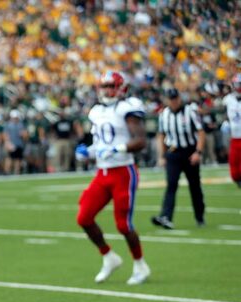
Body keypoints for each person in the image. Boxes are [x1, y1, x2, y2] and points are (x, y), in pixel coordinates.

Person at [75, 71, 150, 285]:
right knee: (84, 217)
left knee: (123, 225)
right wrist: (87, 152)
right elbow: (100, 144)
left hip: (123, 171)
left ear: (121, 88)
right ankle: (109, 257)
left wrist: (117, 149)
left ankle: (140, 265)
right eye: (104, 86)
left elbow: (140, 140)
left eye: (111, 86)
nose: (107, 90)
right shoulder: (96, 111)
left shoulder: (127, 107)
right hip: (102, 172)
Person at [152, 88, 205, 230]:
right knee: (171, 184)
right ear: (167, 100)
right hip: (173, 153)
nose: (173, 101)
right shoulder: (164, 115)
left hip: (189, 152)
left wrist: (198, 152)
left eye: (175, 98)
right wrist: (162, 156)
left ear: (179, 98)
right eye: (171, 99)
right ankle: (166, 217)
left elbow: (200, 132)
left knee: (195, 186)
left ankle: (199, 216)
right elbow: (161, 136)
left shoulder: (190, 112)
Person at [225, 74, 241, 187]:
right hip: (234, 136)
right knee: (233, 163)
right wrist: (225, 122)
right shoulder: (228, 99)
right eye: (237, 84)